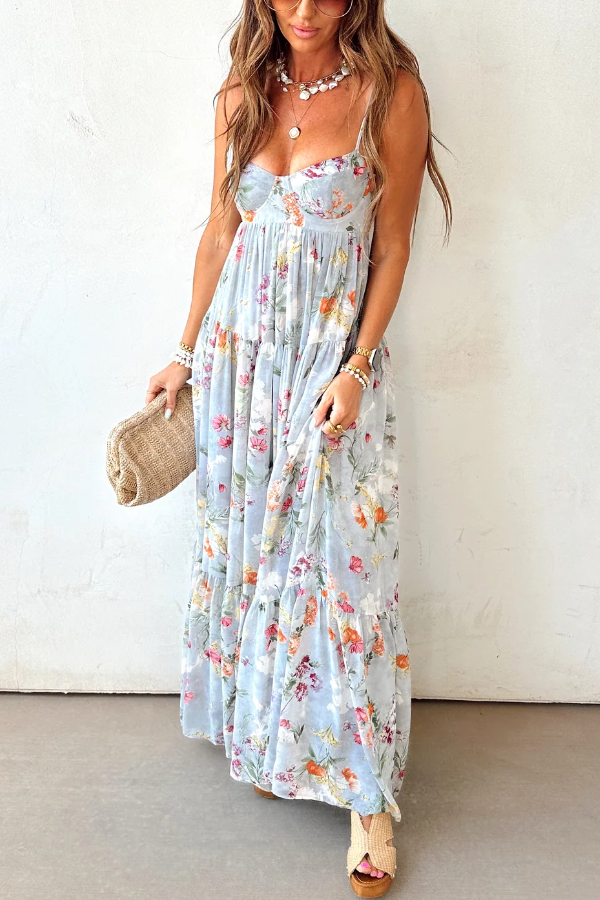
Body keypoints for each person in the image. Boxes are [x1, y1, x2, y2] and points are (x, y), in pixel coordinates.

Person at [146, 0, 451, 895]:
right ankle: (272, 736)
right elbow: (221, 231)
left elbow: (391, 247)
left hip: (327, 359)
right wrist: (183, 354)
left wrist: (356, 366)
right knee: (253, 554)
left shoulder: (391, 93)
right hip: (240, 363)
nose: (305, 10)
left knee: (342, 570)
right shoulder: (241, 93)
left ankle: (370, 798)